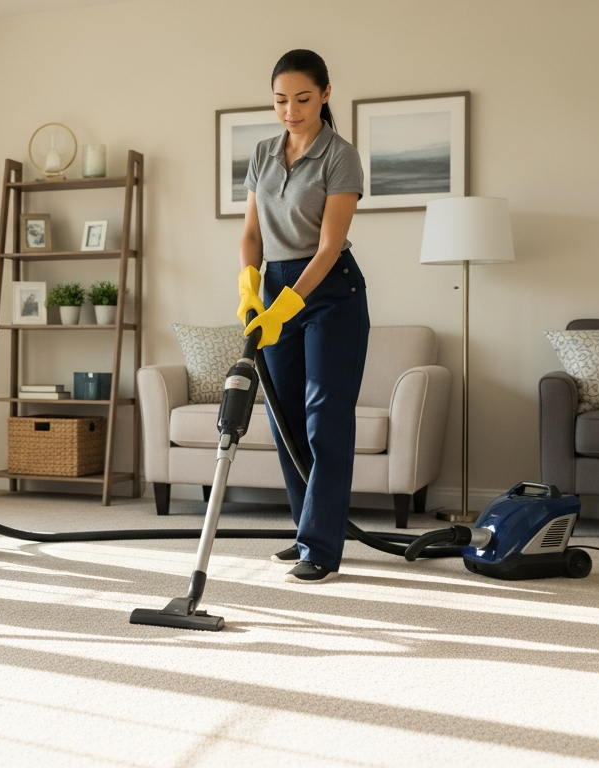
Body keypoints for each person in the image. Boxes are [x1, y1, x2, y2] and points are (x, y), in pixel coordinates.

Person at [239, 49, 369, 584]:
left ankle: (321, 546)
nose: (290, 110)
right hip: (274, 288)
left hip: (329, 292)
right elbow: (251, 234)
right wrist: (251, 288)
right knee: (284, 419)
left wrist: (287, 304)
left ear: (326, 94)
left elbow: (329, 246)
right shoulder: (263, 153)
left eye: (302, 99)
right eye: (280, 101)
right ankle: (306, 533)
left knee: (324, 417)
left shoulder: (341, 156)